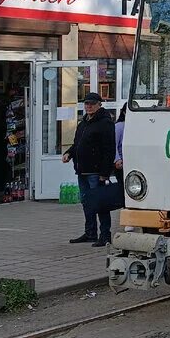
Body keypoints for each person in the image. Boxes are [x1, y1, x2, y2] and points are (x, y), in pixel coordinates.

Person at [63, 93, 117, 246]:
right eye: (86, 104)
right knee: (87, 202)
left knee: (101, 203)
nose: (88, 106)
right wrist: (69, 153)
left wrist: (104, 173)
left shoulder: (105, 122)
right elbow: (77, 144)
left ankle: (105, 235)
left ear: (99, 104)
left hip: (96, 172)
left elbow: (109, 149)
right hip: (82, 170)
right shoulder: (83, 123)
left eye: (92, 104)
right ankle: (90, 233)